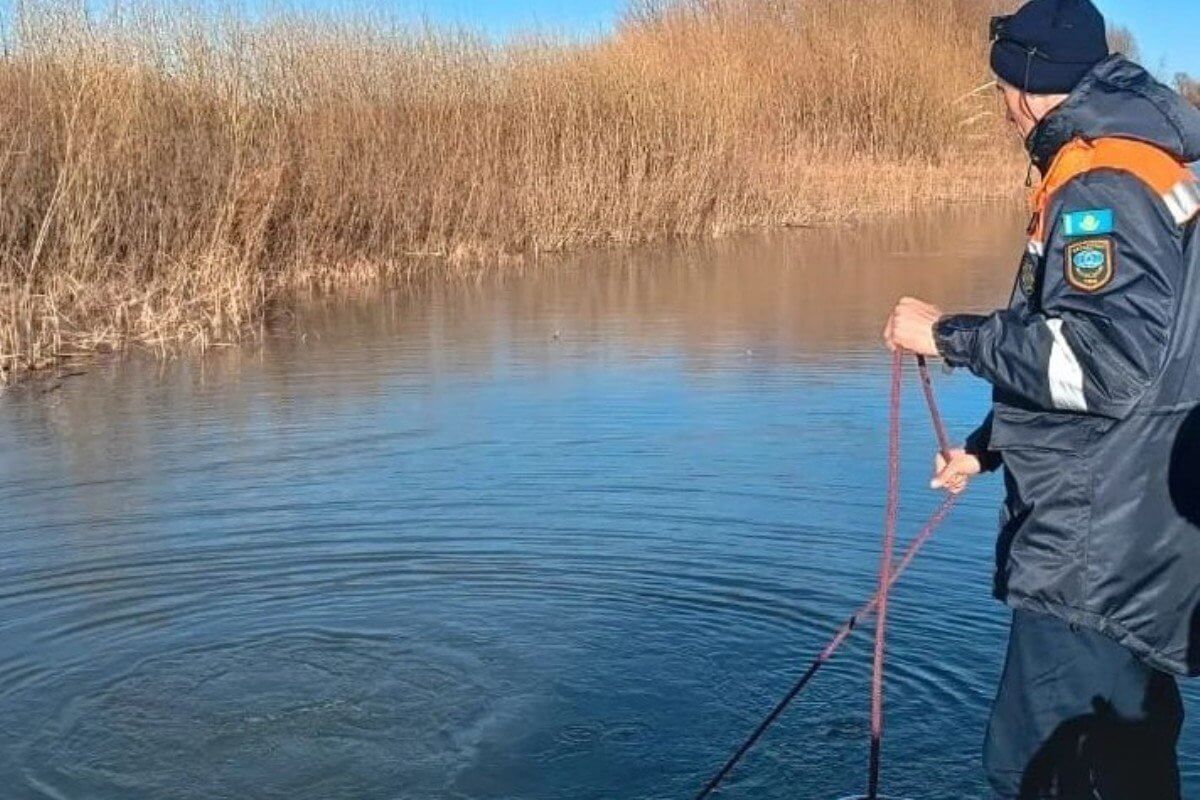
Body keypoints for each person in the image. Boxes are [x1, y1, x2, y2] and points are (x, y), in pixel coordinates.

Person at [882, 0, 1200, 797]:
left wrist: (947, 335)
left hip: (1093, 554)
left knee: (1045, 770)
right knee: (1127, 758)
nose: (997, 107)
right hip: (1140, 536)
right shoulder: (1145, 167)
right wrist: (985, 450)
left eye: (998, 89)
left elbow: (1106, 366)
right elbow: (1127, 362)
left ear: (1024, 86)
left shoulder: (1104, 187)